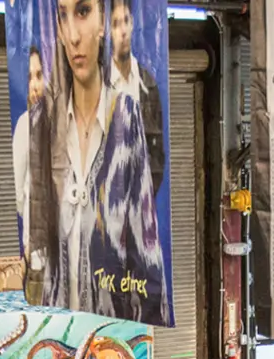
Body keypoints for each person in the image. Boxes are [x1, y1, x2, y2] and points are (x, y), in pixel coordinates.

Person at [43, 0, 167, 324]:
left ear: (102, 24)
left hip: (111, 336)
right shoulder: (48, 121)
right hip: (56, 334)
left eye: (83, 11)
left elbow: (146, 245)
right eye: (63, 15)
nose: (73, 35)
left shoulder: (126, 116)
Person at [107, 0, 163, 193]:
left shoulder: (148, 84)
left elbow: (157, 156)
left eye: (125, 21)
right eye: (115, 24)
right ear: (108, 32)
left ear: (132, 24)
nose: (122, 31)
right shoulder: (99, 85)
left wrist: (145, 199)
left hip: (141, 203)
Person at [13, 45, 47, 265]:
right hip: (38, 249)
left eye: (39, 75)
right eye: (29, 78)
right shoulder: (25, 124)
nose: (34, 86)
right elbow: (18, 192)